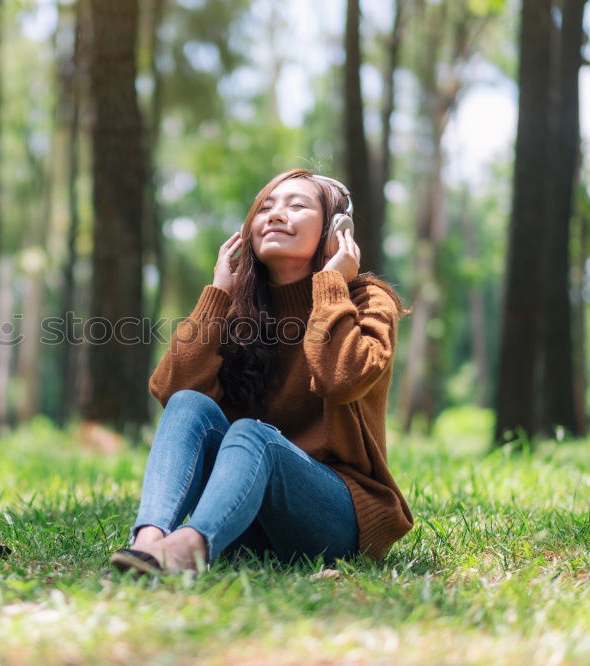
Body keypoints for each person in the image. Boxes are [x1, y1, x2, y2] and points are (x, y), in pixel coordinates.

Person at [110, 168, 413, 575]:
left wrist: (330, 287)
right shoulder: (240, 309)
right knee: (189, 404)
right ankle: (149, 542)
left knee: (255, 435)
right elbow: (171, 391)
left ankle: (190, 548)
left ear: (335, 231)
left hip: (335, 520)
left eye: (297, 205)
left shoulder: (368, 302)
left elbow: (340, 381)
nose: (274, 215)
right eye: (265, 207)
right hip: (244, 517)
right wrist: (217, 296)